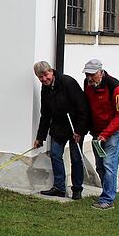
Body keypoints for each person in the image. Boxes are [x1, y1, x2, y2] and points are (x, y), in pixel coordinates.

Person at [33, 61, 90, 200]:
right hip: (58, 127)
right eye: (40, 77)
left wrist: (80, 130)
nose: (44, 79)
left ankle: (77, 189)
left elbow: (83, 107)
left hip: (75, 126)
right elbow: (45, 114)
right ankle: (59, 187)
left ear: (51, 71)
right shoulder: (45, 88)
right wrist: (40, 137)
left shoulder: (67, 82)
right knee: (55, 155)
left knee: (76, 158)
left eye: (46, 75)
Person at [83, 59, 119, 210]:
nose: (90, 78)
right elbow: (88, 109)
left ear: (100, 72)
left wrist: (106, 133)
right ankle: (106, 192)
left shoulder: (116, 87)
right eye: (87, 74)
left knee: (109, 164)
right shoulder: (88, 85)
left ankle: (108, 199)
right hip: (97, 132)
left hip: (115, 131)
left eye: (92, 75)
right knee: (100, 166)